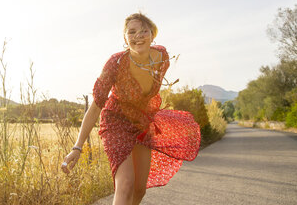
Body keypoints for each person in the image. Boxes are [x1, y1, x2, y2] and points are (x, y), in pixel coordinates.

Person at [61, 13, 201, 205]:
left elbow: (150, 95)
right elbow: (95, 107)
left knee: (139, 190)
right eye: (132, 32)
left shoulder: (162, 57)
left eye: (144, 31)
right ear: (125, 38)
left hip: (142, 123)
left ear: (153, 35)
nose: (138, 36)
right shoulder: (115, 63)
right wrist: (77, 147)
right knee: (125, 185)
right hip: (115, 122)